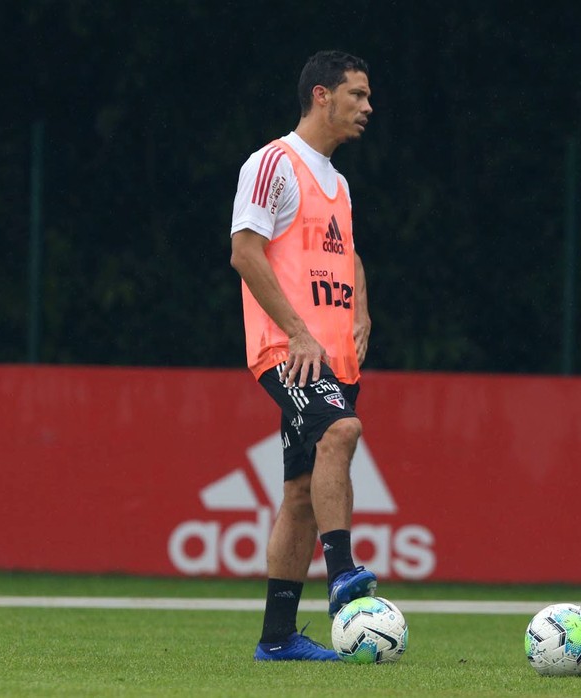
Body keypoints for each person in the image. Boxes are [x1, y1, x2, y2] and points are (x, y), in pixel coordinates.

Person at [230, 50, 377, 662]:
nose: (368, 107)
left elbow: (349, 256)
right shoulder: (274, 163)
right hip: (288, 352)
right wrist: (295, 332)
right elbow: (244, 251)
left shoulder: (338, 182)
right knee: (341, 430)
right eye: (357, 95)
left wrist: (362, 310)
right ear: (321, 95)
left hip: (332, 356)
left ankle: (278, 638)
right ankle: (342, 572)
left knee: (297, 494)